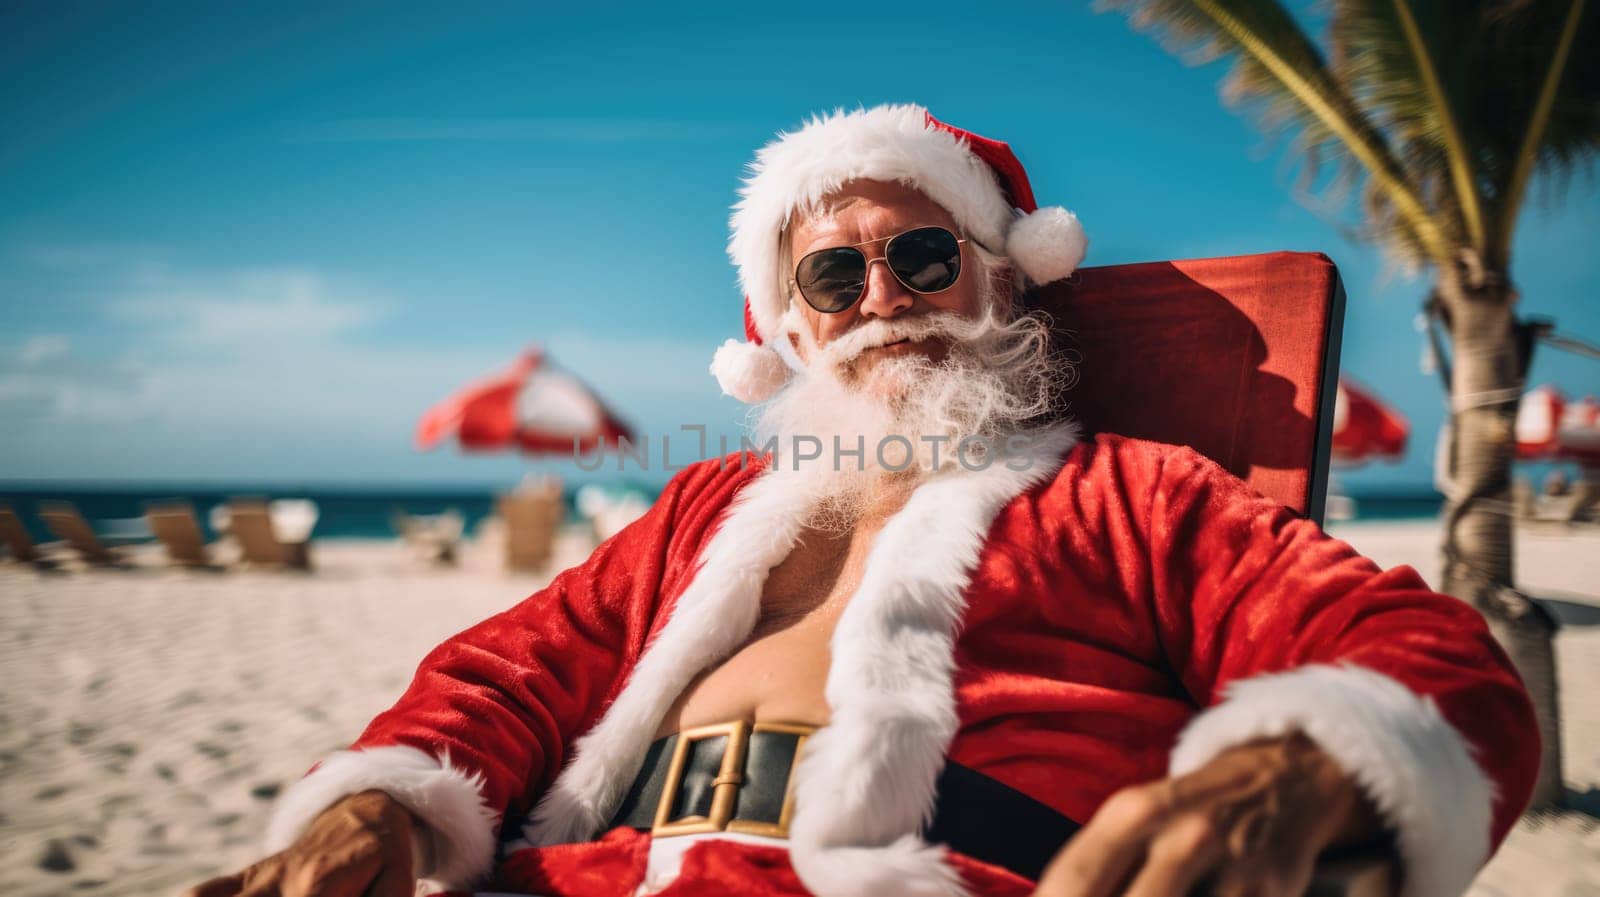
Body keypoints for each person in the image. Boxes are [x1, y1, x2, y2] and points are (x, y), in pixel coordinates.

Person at [188, 105, 1537, 897]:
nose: (881, 297)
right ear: (792, 329)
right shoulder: (709, 502)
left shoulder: (1135, 496)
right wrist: (380, 802)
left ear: (1002, 280)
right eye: (834, 279)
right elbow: (504, 671)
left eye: (922, 254)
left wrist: (1294, 768)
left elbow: (1432, 664)